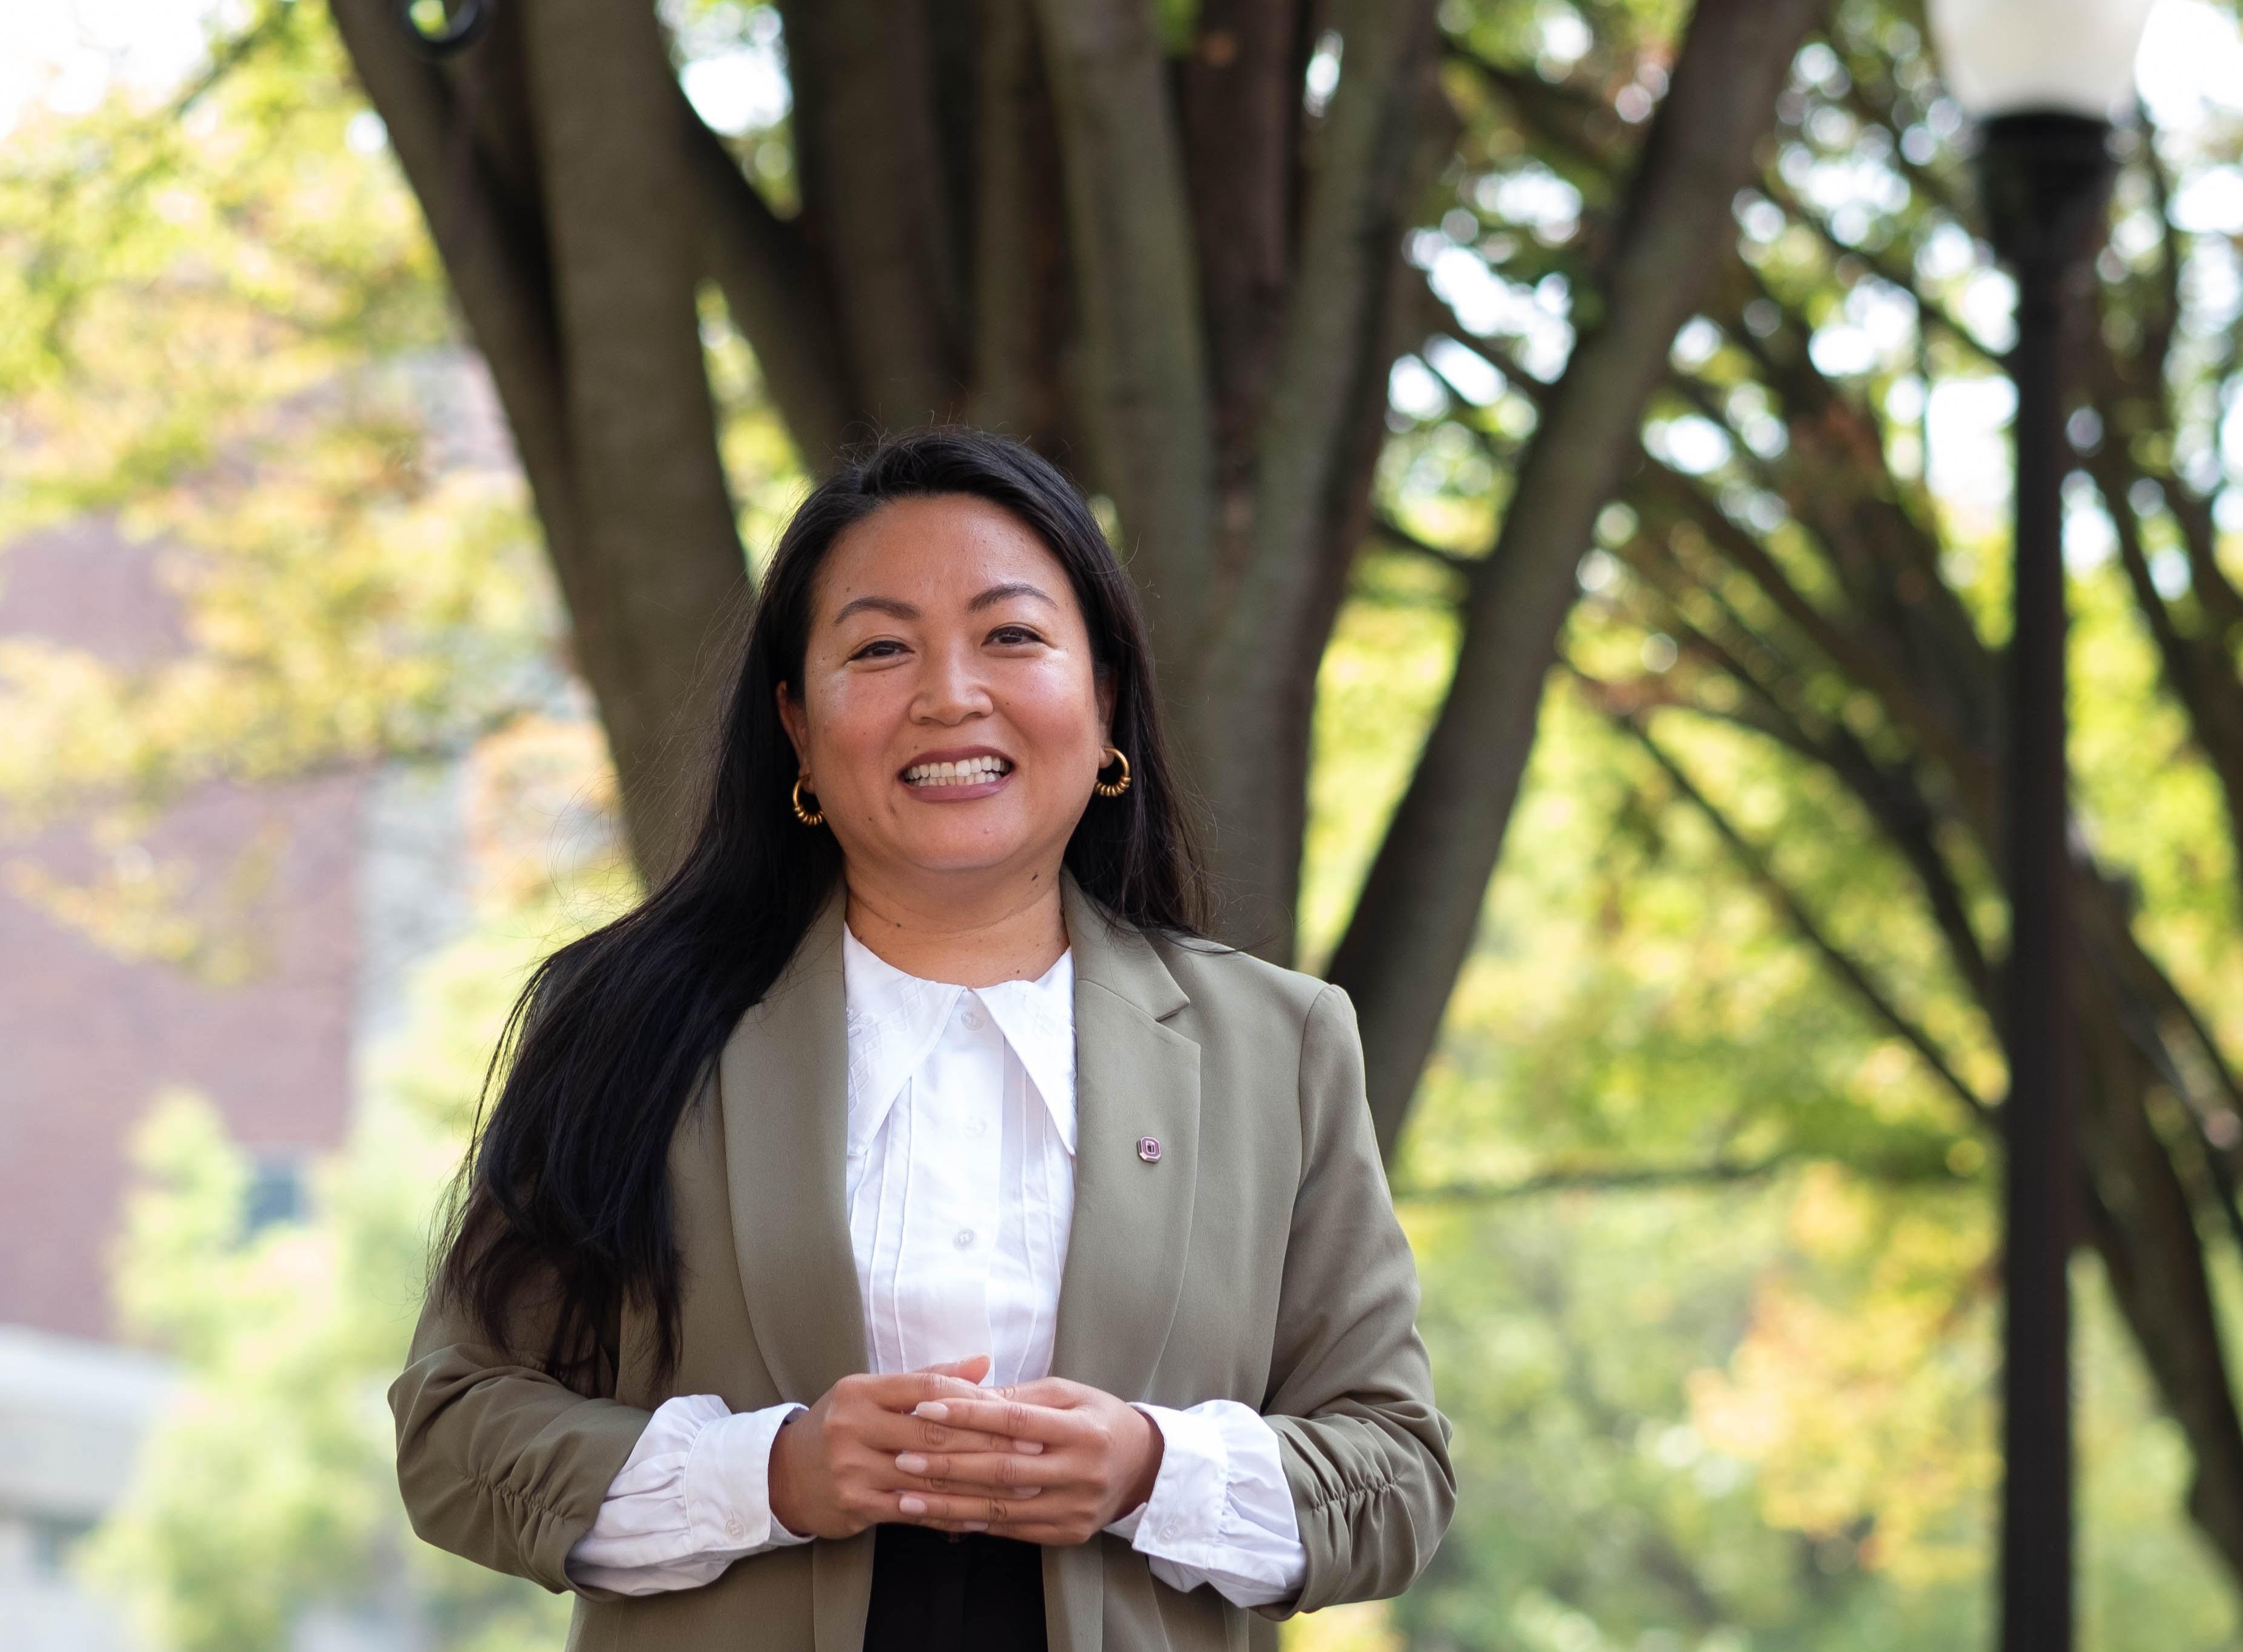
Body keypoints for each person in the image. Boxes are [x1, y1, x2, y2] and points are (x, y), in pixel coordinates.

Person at [391, 428, 1452, 1647]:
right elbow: (456, 1431)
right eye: (880, 648)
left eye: (1011, 636)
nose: (950, 694)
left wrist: (1152, 1467)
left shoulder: (1283, 1048)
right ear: (795, 724)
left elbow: (1396, 1477)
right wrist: (773, 1474)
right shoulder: (626, 1026)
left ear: (1104, 698)